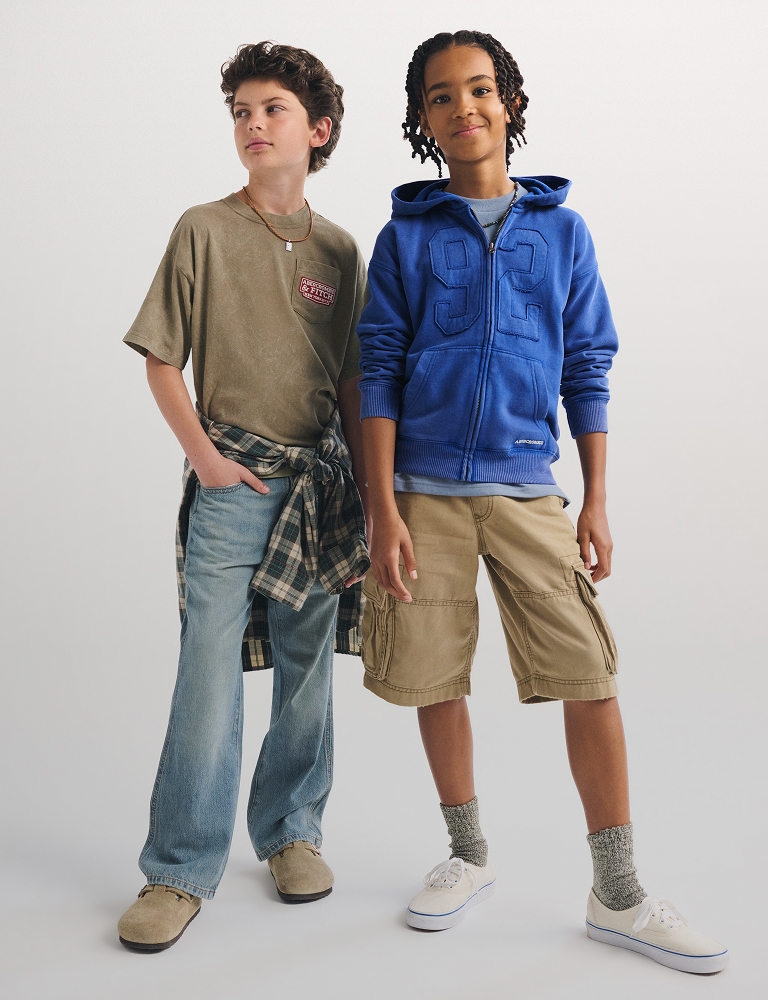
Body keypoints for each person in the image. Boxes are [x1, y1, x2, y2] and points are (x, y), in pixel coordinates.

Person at [357, 30, 727, 974]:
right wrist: (382, 509)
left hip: (529, 488)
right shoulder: (405, 238)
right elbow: (378, 370)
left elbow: (588, 364)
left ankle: (619, 892)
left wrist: (596, 500)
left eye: (481, 88)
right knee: (433, 674)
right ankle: (467, 855)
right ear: (423, 118)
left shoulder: (564, 232)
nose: (465, 107)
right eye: (442, 95)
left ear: (510, 102)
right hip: (423, 493)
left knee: (589, 675)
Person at [116, 41, 369, 952]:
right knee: (208, 675)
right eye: (241, 112)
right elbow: (161, 358)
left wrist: (368, 497)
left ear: (318, 130)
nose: (253, 125)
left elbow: (353, 384)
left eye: (273, 110)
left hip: (321, 490)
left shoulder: (340, 251)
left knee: (307, 669)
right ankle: (179, 868)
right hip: (232, 487)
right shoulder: (203, 229)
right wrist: (208, 463)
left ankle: (292, 831)